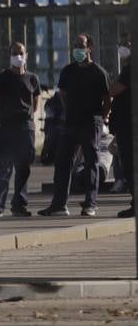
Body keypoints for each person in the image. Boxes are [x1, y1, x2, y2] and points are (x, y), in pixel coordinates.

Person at [39, 34, 110, 217]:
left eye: (81, 45)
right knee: (63, 162)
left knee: (91, 164)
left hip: (90, 123)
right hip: (71, 123)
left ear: (90, 47)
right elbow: (63, 93)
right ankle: (59, 205)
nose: (78, 49)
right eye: (75, 45)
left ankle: (90, 204)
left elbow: (107, 100)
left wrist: (100, 118)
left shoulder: (99, 72)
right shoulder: (68, 71)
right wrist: (69, 110)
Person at [0, 41, 40, 218]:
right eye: (14, 53)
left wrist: (29, 117)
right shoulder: (1, 78)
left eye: (21, 53)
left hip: (25, 128)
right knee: (4, 169)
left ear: (26, 55)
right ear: (9, 56)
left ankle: (19, 205)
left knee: (23, 169)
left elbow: (36, 102)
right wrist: (1, 119)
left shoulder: (32, 78)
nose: (18, 56)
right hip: (6, 128)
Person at [111, 33, 132, 218]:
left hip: (129, 126)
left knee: (130, 165)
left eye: (126, 44)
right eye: (122, 43)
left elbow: (115, 89)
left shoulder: (130, 69)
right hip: (126, 125)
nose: (123, 47)